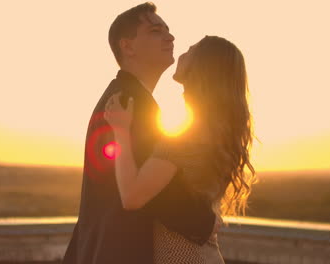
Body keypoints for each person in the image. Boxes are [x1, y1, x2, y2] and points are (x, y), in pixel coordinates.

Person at [62, 3, 218, 264]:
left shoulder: (122, 97)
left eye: (168, 30)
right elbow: (154, 194)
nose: (170, 37)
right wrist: (207, 222)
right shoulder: (131, 103)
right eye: (156, 31)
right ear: (128, 46)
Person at [104, 35, 257, 263]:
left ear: (203, 68)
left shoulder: (187, 138)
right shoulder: (216, 134)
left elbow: (132, 196)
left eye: (190, 51)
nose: (182, 54)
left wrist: (121, 131)